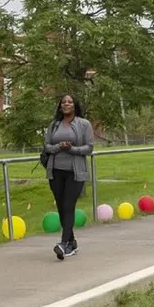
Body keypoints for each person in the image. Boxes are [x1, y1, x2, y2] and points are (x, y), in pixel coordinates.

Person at [43, 94, 94, 260]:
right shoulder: (54, 125)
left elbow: (89, 148)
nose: (66, 104)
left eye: (70, 102)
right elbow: (47, 146)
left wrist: (72, 149)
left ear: (75, 105)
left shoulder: (84, 124)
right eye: (63, 102)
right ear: (60, 106)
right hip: (56, 170)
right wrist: (59, 146)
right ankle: (72, 242)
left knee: (68, 205)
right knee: (60, 207)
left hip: (75, 171)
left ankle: (64, 244)